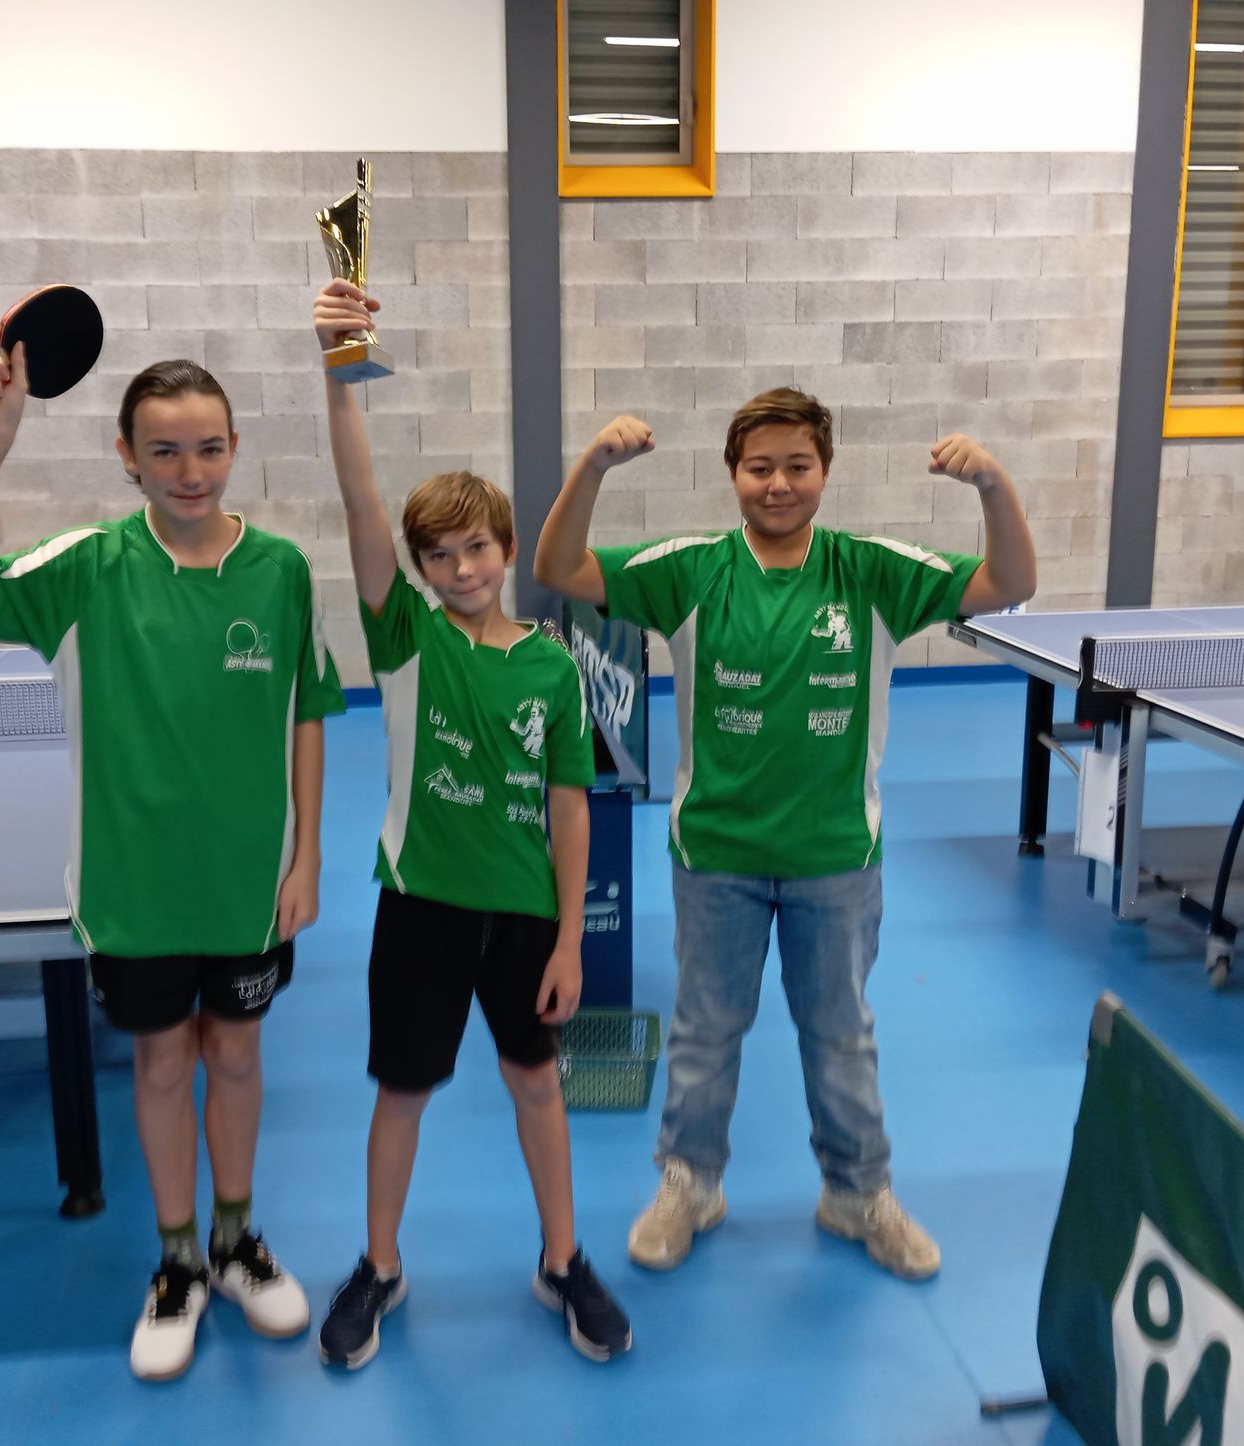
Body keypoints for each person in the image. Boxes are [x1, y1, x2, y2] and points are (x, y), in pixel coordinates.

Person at [534, 388, 1036, 1279]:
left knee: (840, 1035)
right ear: (733, 473)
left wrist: (992, 484)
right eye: (759, 467)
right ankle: (691, 1183)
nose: (778, 483)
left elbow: (1010, 585)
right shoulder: (691, 570)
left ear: (825, 472)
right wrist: (594, 467)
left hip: (835, 858)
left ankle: (857, 1193)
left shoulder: (871, 570)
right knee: (704, 1031)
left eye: (797, 466)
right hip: (715, 857)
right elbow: (559, 566)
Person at [0, 346, 345, 1382]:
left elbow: (308, 713)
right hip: (133, 887)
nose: (190, 471)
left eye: (209, 448)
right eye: (164, 452)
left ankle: (237, 1241)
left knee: (236, 1056)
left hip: (248, 883)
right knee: (161, 1065)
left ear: (235, 448)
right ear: (126, 456)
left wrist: (308, 855)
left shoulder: (282, 570)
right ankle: (178, 1261)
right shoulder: (88, 566)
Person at [309, 279, 631, 1368]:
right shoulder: (407, 642)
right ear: (418, 568)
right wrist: (339, 377)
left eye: (478, 549)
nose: (461, 569)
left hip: (524, 917)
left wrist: (571, 938)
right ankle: (380, 1266)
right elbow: (361, 503)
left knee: (536, 1081)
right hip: (422, 910)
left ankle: (562, 1260)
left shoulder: (552, 664)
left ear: (505, 547)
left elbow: (570, 804)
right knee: (403, 1091)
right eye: (439, 556)